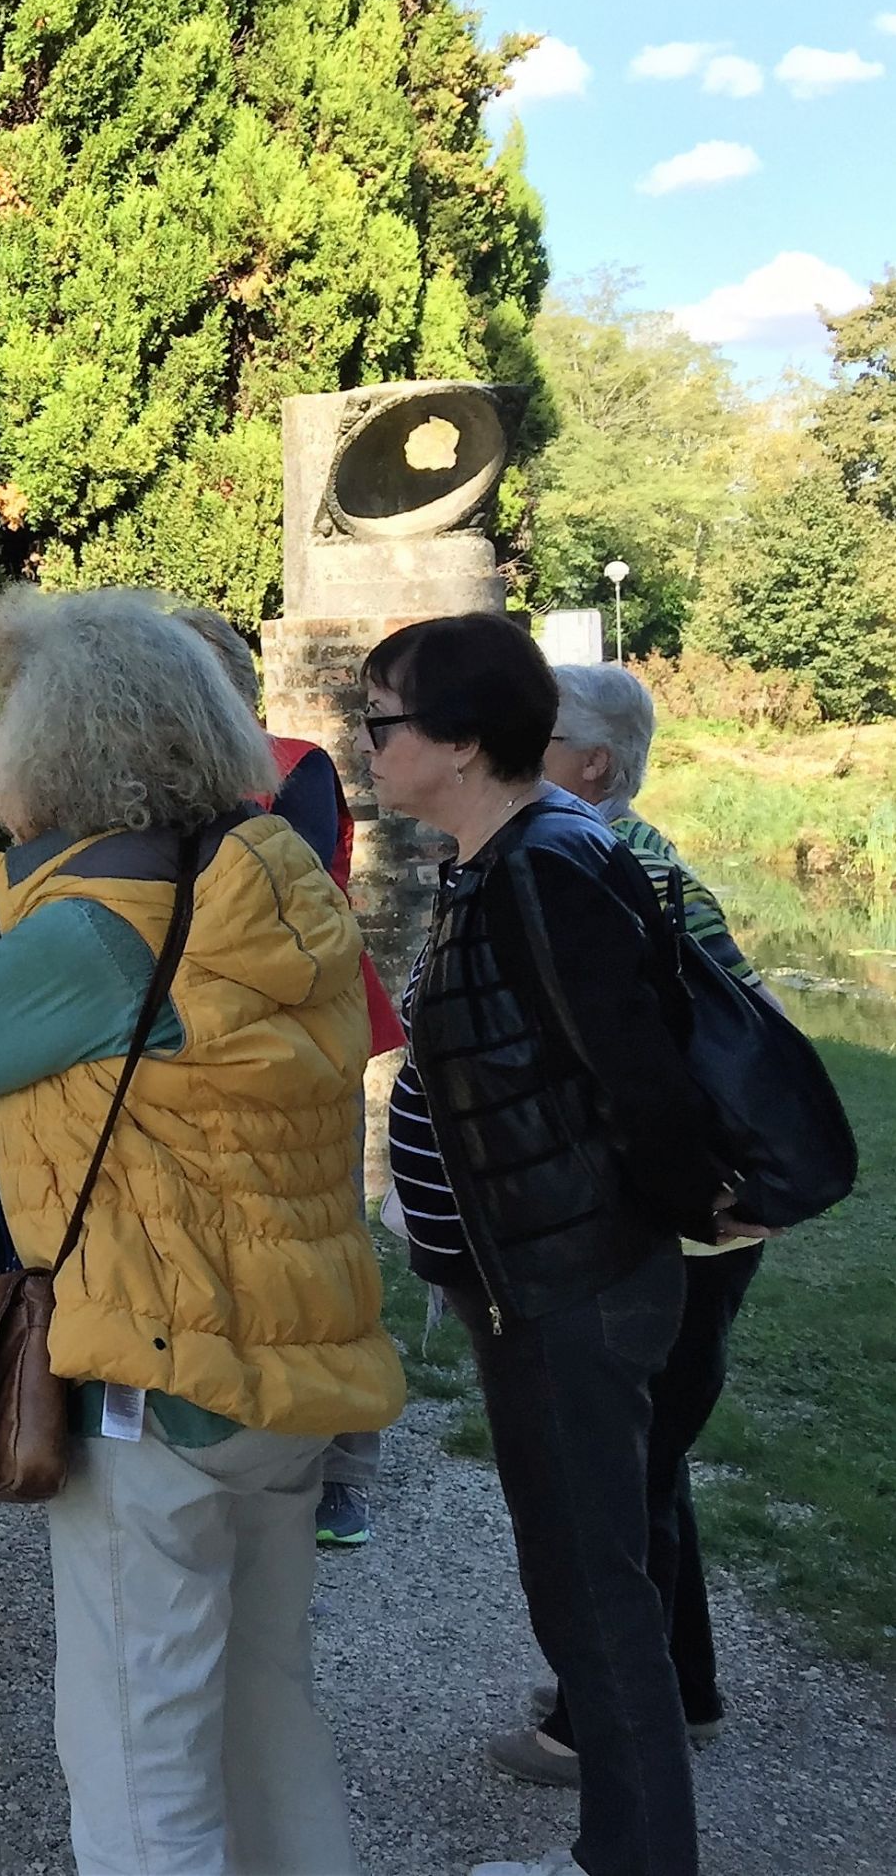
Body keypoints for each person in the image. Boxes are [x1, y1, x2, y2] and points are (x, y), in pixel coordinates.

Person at [0, 587, 402, 1876]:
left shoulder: (92, 929)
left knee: (137, 1741)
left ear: (52, 744)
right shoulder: (271, 878)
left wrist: (0, 899)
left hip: (156, 1371)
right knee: (263, 1706)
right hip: (288, 1354)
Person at [360, 614, 739, 1876]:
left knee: (592, 1589)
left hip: (566, 1283)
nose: (367, 745)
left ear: (462, 740)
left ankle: (629, 1858)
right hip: (533, 1277)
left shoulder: (545, 865)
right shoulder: (501, 857)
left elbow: (639, 1078)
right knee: (577, 1578)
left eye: (384, 721)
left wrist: (666, 1213)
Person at [481, 660, 770, 1792]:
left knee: (614, 1479)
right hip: (692, 1222)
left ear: (592, 765)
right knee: (649, 1464)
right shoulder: (630, 856)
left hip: (672, 1227)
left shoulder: (600, 868)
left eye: (542, 736)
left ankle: (594, 1727)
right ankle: (682, 1690)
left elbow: (668, 1065)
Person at [171, 602, 406, 1550]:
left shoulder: (293, 767)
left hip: (304, 1036)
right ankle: (238, 1420)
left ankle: (343, 1464)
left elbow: (292, 910)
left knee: (323, 1238)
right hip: (202, 1041)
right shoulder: (148, 787)